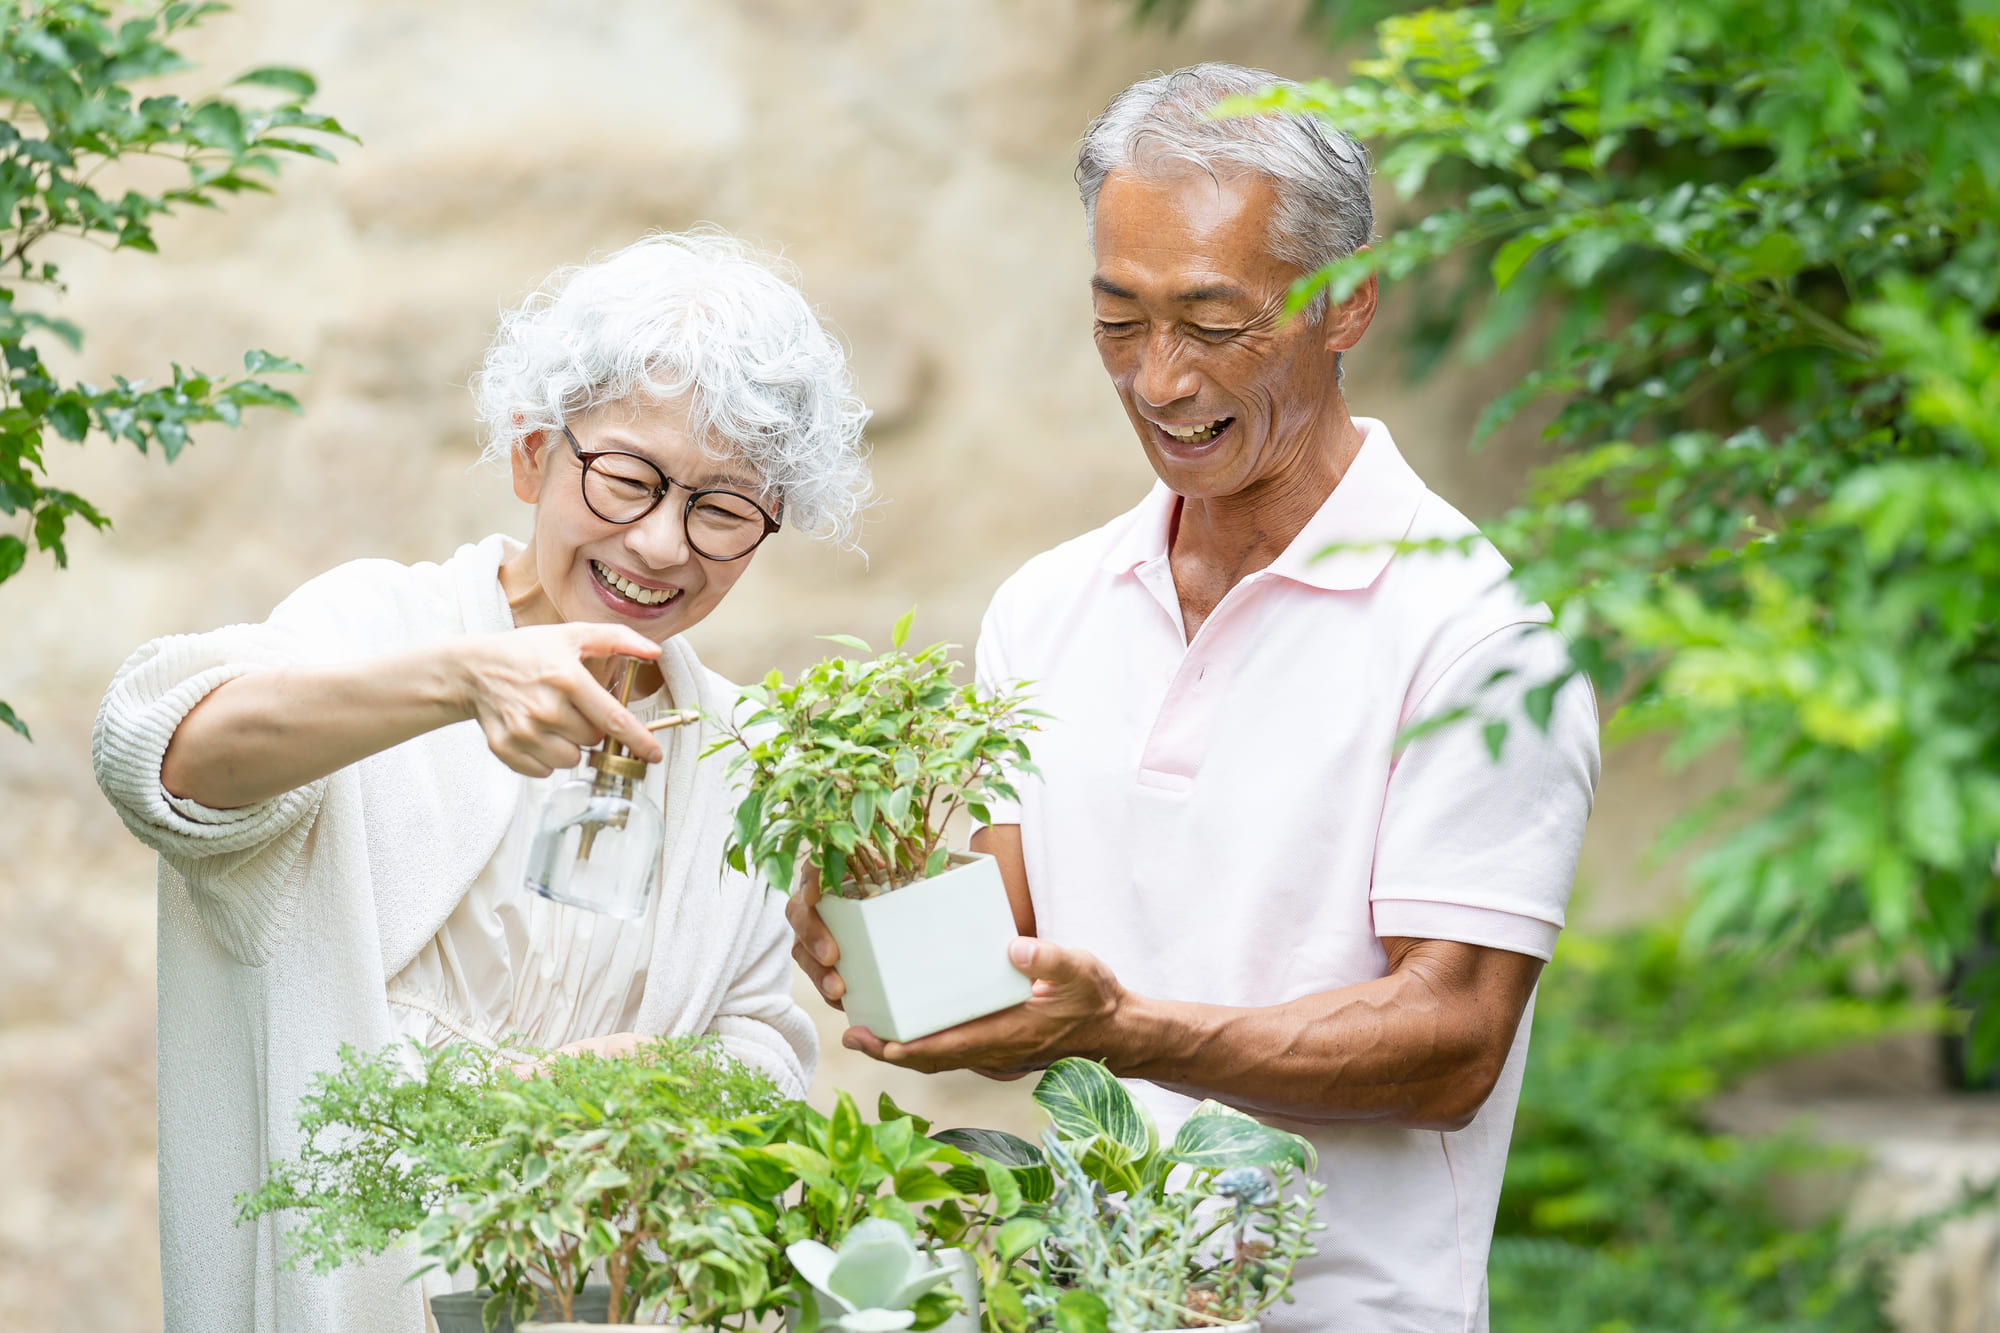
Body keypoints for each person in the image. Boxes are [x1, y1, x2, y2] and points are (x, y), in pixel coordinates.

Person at [787, 65, 1600, 1332]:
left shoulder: (1474, 639)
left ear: (1346, 306)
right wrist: (877, 940)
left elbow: (1450, 1038)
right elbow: (1008, 951)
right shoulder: (1047, 607)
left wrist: (1129, 1030)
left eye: (1213, 326)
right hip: (1084, 1304)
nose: (1159, 381)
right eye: (1118, 320)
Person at [92, 230, 870, 1333]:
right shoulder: (379, 628)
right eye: (627, 477)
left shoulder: (733, 750)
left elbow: (764, 1042)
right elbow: (155, 756)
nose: (660, 544)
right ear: (529, 453)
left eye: (723, 507)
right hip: (355, 1285)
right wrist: (459, 679)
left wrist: (656, 1081)